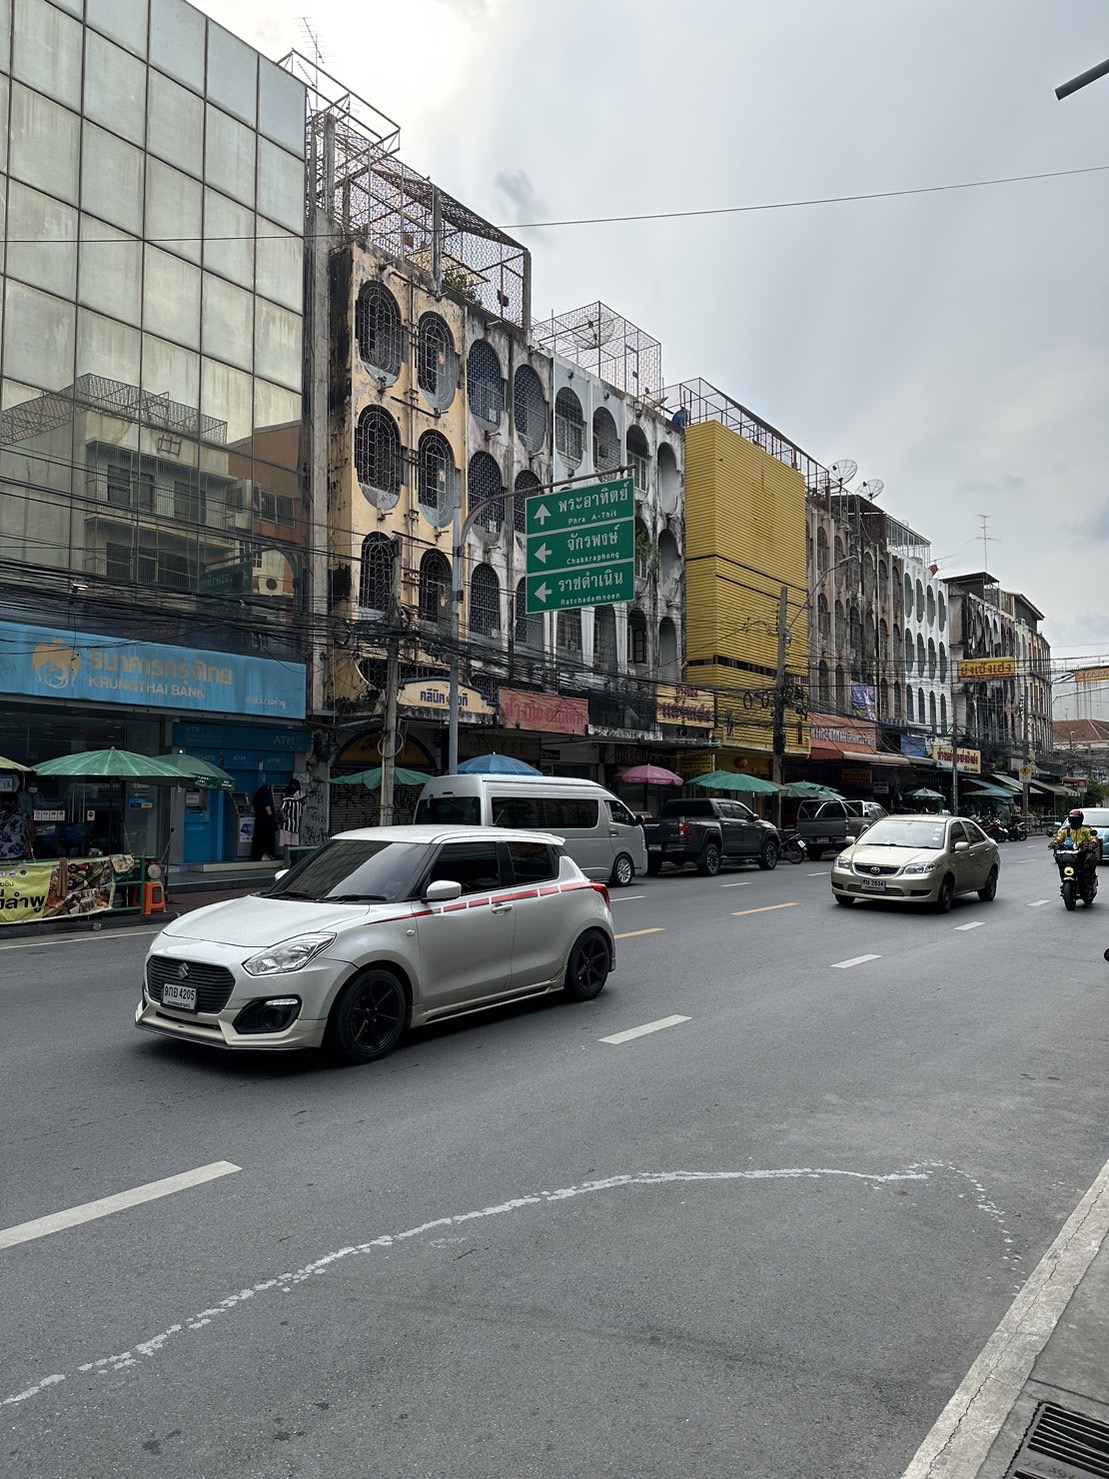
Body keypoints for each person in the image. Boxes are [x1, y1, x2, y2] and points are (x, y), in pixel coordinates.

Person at [1051, 808, 1099, 879]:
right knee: (1060, 858)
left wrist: (1093, 843)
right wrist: (1054, 843)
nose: (1074, 822)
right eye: (1072, 819)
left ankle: (1089, 880)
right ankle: (1064, 876)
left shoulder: (1086, 829)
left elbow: (1092, 837)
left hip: (1083, 851)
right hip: (1069, 852)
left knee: (1090, 859)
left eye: (1076, 820)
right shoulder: (1065, 830)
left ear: (1080, 820)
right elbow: (1059, 838)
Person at [0, 790, 35, 862]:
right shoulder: (1, 815)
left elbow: (32, 832)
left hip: (17, 854)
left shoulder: (24, 816)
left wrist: (29, 847)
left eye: (10, 801)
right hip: (1, 854)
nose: (7, 804)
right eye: (5, 801)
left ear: (16, 802)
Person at [252, 779, 277, 861]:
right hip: (267, 824)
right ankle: (266, 855)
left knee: (259, 840)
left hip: (259, 823)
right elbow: (269, 813)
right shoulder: (266, 801)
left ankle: (258, 855)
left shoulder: (257, 800)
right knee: (267, 840)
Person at [279, 780, 304, 853]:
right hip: (295, 826)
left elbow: (281, 809)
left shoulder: (285, 800)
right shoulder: (298, 802)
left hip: (286, 826)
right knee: (294, 845)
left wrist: (284, 818)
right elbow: (300, 814)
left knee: (286, 844)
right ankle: (294, 861)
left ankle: (286, 862)